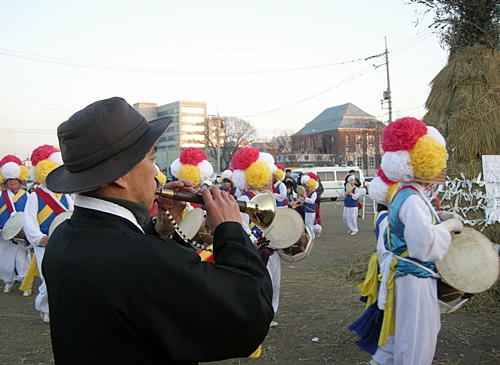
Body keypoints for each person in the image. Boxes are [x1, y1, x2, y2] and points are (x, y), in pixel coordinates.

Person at [43, 97, 273, 365]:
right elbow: (249, 313)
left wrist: (160, 230)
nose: (156, 173)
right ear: (120, 174)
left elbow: (125, 287)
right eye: (151, 159)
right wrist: (230, 229)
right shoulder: (145, 261)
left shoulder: (63, 237)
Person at [349, 117, 463, 365]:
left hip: (407, 277)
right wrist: (449, 226)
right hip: (414, 279)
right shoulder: (411, 197)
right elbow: (423, 243)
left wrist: (439, 217)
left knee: (404, 337)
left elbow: (413, 227)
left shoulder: (406, 191)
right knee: (415, 341)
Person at [22, 145, 75, 323]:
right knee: (48, 279)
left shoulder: (67, 196)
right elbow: (29, 220)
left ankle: (58, 308)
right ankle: (44, 307)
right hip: (45, 243)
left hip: (64, 241)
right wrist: (39, 238)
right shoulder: (35, 196)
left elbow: (72, 216)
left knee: (63, 278)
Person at [231, 147, 280, 329]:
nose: (269, 180)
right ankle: (259, 316)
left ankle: (269, 314)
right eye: (265, 176)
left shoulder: (267, 197)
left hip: (270, 246)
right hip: (257, 249)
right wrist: (254, 241)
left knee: (274, 283)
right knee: (261, 283)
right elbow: (242, 224)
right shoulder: (245, 198)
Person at [0, 155, 31, 295]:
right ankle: (8, 282)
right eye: (9, 180)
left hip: (22, 234)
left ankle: (25, 284)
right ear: (5, 182)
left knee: (22, 260)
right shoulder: (1, 196)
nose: (12, 182)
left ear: (20, 181)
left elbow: (31, 214)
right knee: (5, 260)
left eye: (14, 180)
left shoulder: (27, 195)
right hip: (4, 234)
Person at [300, 173, 318, 239]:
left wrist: (305, 198)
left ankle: (312, 235)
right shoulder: (307, 192)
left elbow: (312, 201)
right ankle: (310, 234)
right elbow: (303, 200)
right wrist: (301, 197)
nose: (306, 187)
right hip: (307, 209)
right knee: (307, 223)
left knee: (310, 224)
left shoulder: (314, 193)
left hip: (311, 209)